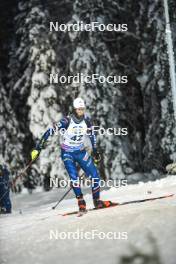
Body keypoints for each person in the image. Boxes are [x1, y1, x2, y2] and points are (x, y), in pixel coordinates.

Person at [31, 98, 113, 212]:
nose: (81, 111)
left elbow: (92, 135)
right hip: (67, 153)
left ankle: (97, 201)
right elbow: (50, 131)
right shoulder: (66, 121)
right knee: (74, 177)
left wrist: (95, 150)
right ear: (74, 109)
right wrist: (38, 147)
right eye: (79, 109)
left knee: (94, 174)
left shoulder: (87, 121)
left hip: (80, 152)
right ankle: (81, 202)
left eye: (83, 109)